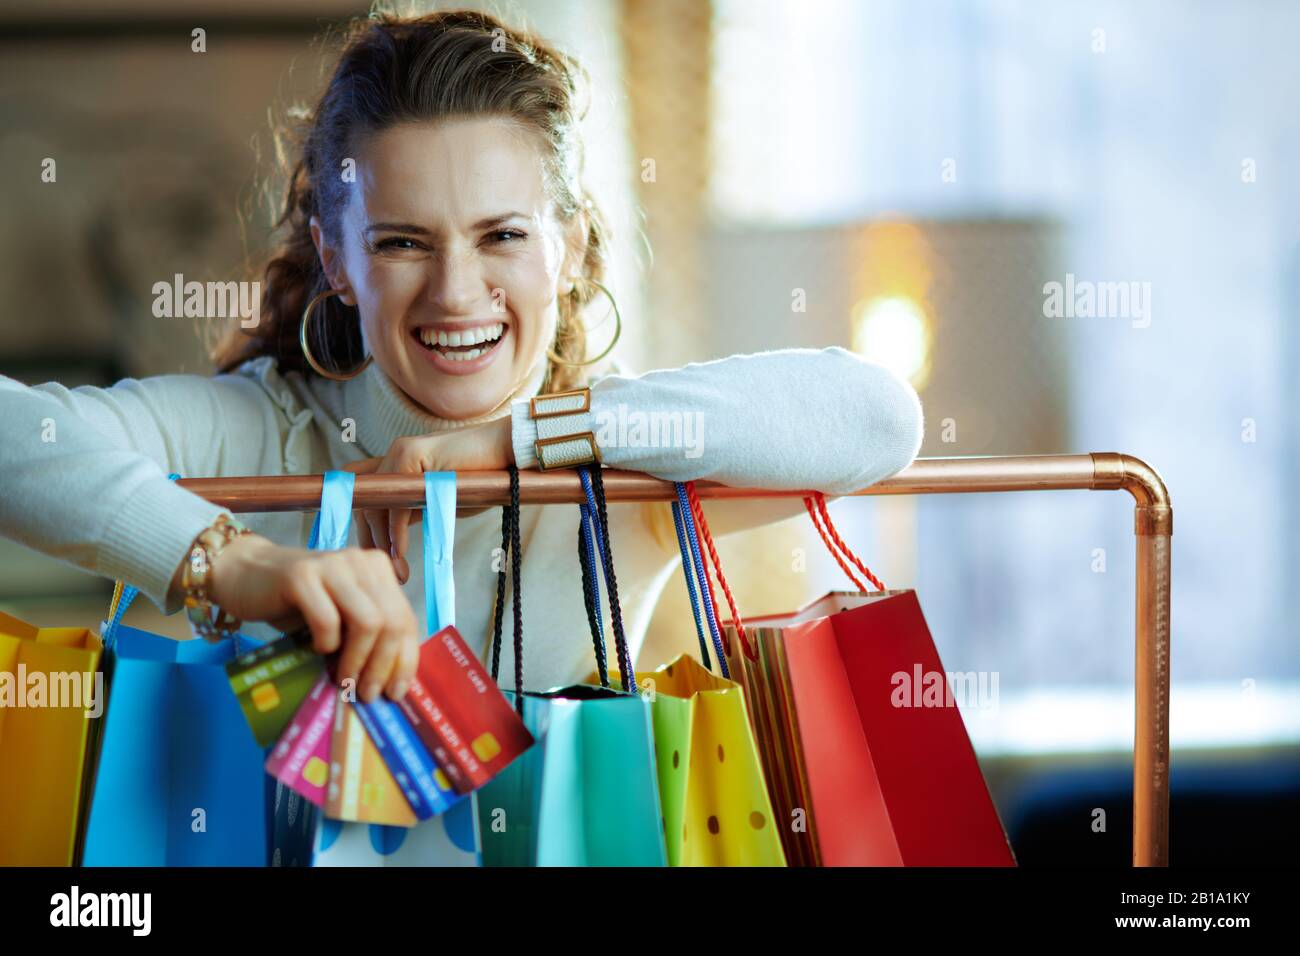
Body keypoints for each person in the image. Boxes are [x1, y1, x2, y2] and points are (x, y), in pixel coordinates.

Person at [0, 9, 922, 705]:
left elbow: (879, 416)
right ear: (337, 257)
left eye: (502, 236)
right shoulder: (252, 431)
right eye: (403, 242)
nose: (454, 291)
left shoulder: (609, 457)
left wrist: (515, 445)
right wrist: (233, 566)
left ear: (564, 247)